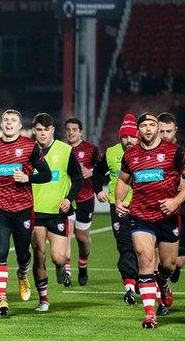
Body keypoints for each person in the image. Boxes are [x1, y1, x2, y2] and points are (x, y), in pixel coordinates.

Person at [115, 112, 185, 329]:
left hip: (168, 216)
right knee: (145, 259)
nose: (148, 129)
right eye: (144, 126)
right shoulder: (131, 155)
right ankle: (150, 314)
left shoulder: (174, 152)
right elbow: (123, 179)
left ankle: (164, 282)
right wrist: (118, 200)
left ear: (158, 128)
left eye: (152, 125)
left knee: (168, 265)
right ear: (138, 130)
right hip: (140, 215)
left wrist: (176, 200)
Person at [0, 109, 52, 317]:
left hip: (23, 208)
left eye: (14, 120)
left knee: (23, 254)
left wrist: (28, 179)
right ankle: (2, 299)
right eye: (6, 120)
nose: (9, 123)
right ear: (2, 124)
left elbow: (46, 174)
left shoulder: (30, 146)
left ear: (20, 126)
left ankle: (22, 273)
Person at [31, 113, 82, 311]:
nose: (42, 134)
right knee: (39, 256)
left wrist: (69, 199)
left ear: (53, 130)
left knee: (58, 257)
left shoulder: (65, 150)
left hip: (58, 211)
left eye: (46, 130)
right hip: (34, 211)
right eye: (39, 130)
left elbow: (77, 178)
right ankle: (43, 299)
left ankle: (62, 269)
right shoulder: (28, 150)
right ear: (34, 131)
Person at [94, 114, 139, 305]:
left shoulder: (146, 151)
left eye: (132, 136)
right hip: (118, 207)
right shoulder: (111, 152)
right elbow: (97, 171)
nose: (128, 140)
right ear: (120, 137)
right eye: (124, 137)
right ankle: (129, 286)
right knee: (125, 246)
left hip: (142, 206)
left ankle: (147, 279)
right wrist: (98, 190)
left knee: (144, 248)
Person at [64, 117, 101, 286]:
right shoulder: (61, 150)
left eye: (74, 129)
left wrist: (92, 171)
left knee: (82, 239)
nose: (71, 132)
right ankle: (66, 271)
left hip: (85, 198)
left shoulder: (91, 149)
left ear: (80, 131)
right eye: (68, 129)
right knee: (67, 233)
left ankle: (83, 264)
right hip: (66, 199)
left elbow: (102, 170)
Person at [157, 112, 185, 284]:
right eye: (161, 131)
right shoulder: (149, 150)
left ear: (175, 130)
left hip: (184, 208)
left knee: (178, 261)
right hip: (158, 209)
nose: (165, 135)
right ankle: (161, 293)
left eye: (168, 131)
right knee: (158, 257)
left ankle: (172, 270)